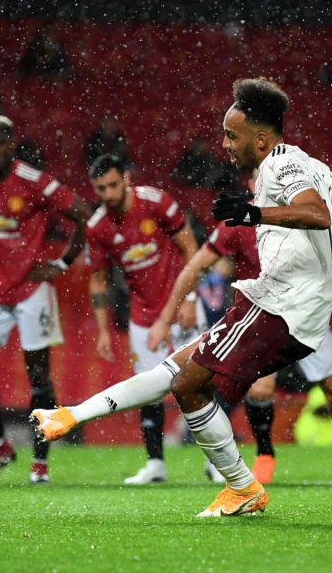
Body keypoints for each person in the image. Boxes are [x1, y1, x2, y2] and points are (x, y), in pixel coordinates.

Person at [33, 77, 332, 517]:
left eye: (232, 136)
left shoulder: (279, 166)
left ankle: (242, 486)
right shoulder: (308, 163)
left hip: (284, 306)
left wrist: (256, 213)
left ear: (259, 137)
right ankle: (71, 415)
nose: (224, 144)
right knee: (180, 367)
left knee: (188, 384)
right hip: (275, 300)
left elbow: (316, 213)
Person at [145, 211, 332, 485]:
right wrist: (173, 310)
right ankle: (264, 454)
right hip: (261, 318)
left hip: (307, 312)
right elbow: (196, 265)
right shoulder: (239, 224)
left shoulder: (306, 206)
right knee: (260, 389)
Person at [0, 115, 91, 484]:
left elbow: (83, 215)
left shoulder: (35, 181)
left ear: (11, 145)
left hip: (32, 290)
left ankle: (40, 462)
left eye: (0, 142)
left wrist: (62, 263)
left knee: (38, 375)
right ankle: (0, 447)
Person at [85, 153, 200, 484]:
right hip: (142, 317)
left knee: (197, 381)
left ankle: (213, 459)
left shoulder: (156, 203)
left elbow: (190, 248)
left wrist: (190, 299)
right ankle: (155, 465)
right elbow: (97, 279)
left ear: (126, 179)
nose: (107, 194)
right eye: (99, 188)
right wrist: (104, 331)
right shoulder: (98, 227)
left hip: (179, 308)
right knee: (147, 389)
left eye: (111, 185)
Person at [171, 136, 237, 190]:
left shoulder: (209, 157)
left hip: (210, 181)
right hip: (198, 183)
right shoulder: (187, 157)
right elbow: (182, 174)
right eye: (201, 144)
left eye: (204, 144)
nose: (203, 146)